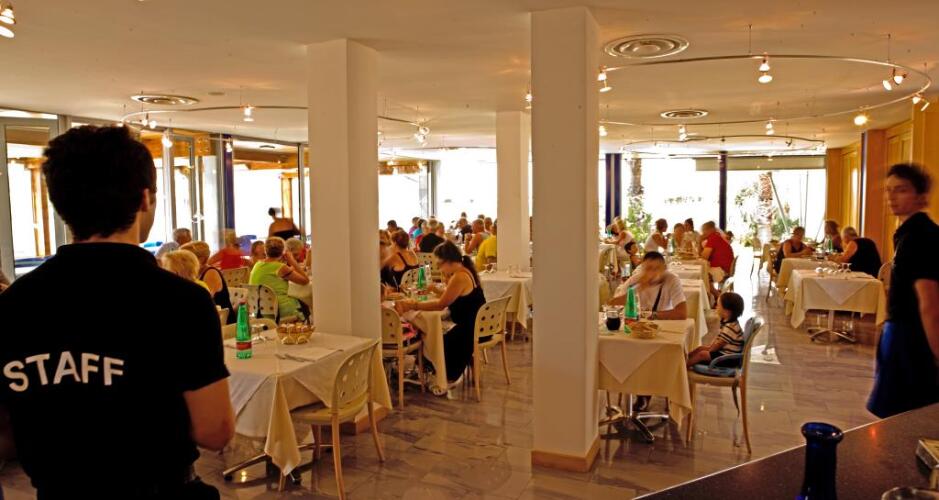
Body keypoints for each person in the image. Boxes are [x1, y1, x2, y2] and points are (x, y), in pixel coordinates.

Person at [0, 125, 233, 498]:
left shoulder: (12, 304)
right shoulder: (181, 301)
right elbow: (215, 431)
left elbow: (6, 437)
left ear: (59, 203)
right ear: (144, 198)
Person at [868, 164, 939, 418]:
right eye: (889, 190)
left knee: (906, 417)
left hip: (911, 337)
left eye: (901, 190)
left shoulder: (920, 237)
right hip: (900, 332)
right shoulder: (909, 233)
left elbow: (929, 303)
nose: (891, 196)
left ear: (921, 196)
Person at [395, 241, 486, 393]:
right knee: (433, 331)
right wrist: (435, 289)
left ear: (448, 261)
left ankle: (436, 374)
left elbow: (440, 305)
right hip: (475, 325)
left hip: (468, 330)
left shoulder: (459, 277)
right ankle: (426, 370)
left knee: (432, 338)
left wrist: (413, 305)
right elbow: (452, 296)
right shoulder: (466, 271)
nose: (438, 268)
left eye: (439, 264)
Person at [608, 252, 687, 320]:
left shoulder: (672, 279)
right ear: (642, 268)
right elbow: (612, 305)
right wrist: (639, 287)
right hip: (635, 323)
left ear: (664, 268)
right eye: (648, 268)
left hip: (662, 322)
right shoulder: (635, 280)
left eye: (657, 268)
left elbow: (682, 313)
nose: (653, 272)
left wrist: (649, 315)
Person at [249, 236, 310, 321]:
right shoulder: (281, 268)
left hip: (260, 311)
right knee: (305, 306)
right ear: (283, 251)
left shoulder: (258, 264)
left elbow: (275, 271)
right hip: (280, 309)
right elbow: (305, 281)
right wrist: (292, 261)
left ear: (266, 251)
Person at [687, 292, 746, 367]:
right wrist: (709, 348)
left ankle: (685, 366)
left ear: (727, 311)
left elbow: (719, 344)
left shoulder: (730, 328)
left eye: (718, 305)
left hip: (728, 359)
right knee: (700, 348)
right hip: (724, 353)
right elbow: (719, 340)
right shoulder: (729, 323)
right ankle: (684, 359)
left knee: (702, 354)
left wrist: (709, 350)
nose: (715, 307)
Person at [182, 241, 235, 324]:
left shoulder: (211, 273)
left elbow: (203, 302)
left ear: (201, 259)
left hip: (222, 321)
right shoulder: (195, 273)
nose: (183, 263)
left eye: (185, 259)